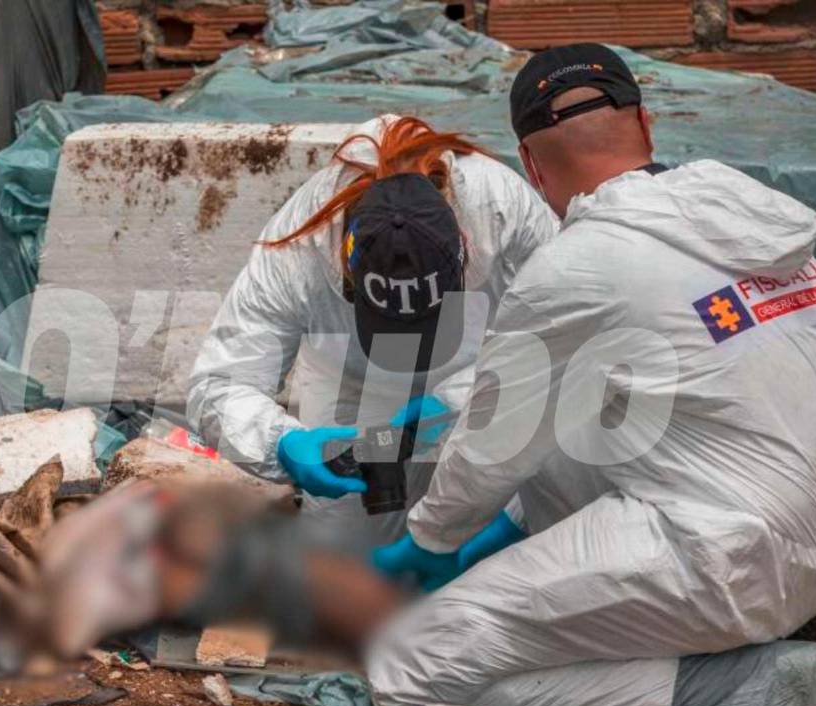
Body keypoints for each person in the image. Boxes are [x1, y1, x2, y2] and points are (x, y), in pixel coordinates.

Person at [366, 43, 816, 706]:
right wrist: (452, 408)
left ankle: (740, 690)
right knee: (591, 424)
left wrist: (429, 538)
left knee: (406, 663)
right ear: (646, 125)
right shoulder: (764, 230)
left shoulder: (574, 267)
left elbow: (491, 450)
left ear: (530, 167)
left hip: (728, 559)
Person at [187, 115, 556, 550]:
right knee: (341, 573)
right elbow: (218, 385)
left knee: (514, 538)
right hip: (354, 388)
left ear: (462, 250)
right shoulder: (296, 250)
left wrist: (456, 400)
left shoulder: (499, 207)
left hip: (484, 378)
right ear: (348, 273)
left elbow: (562, 340)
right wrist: (282, 444)